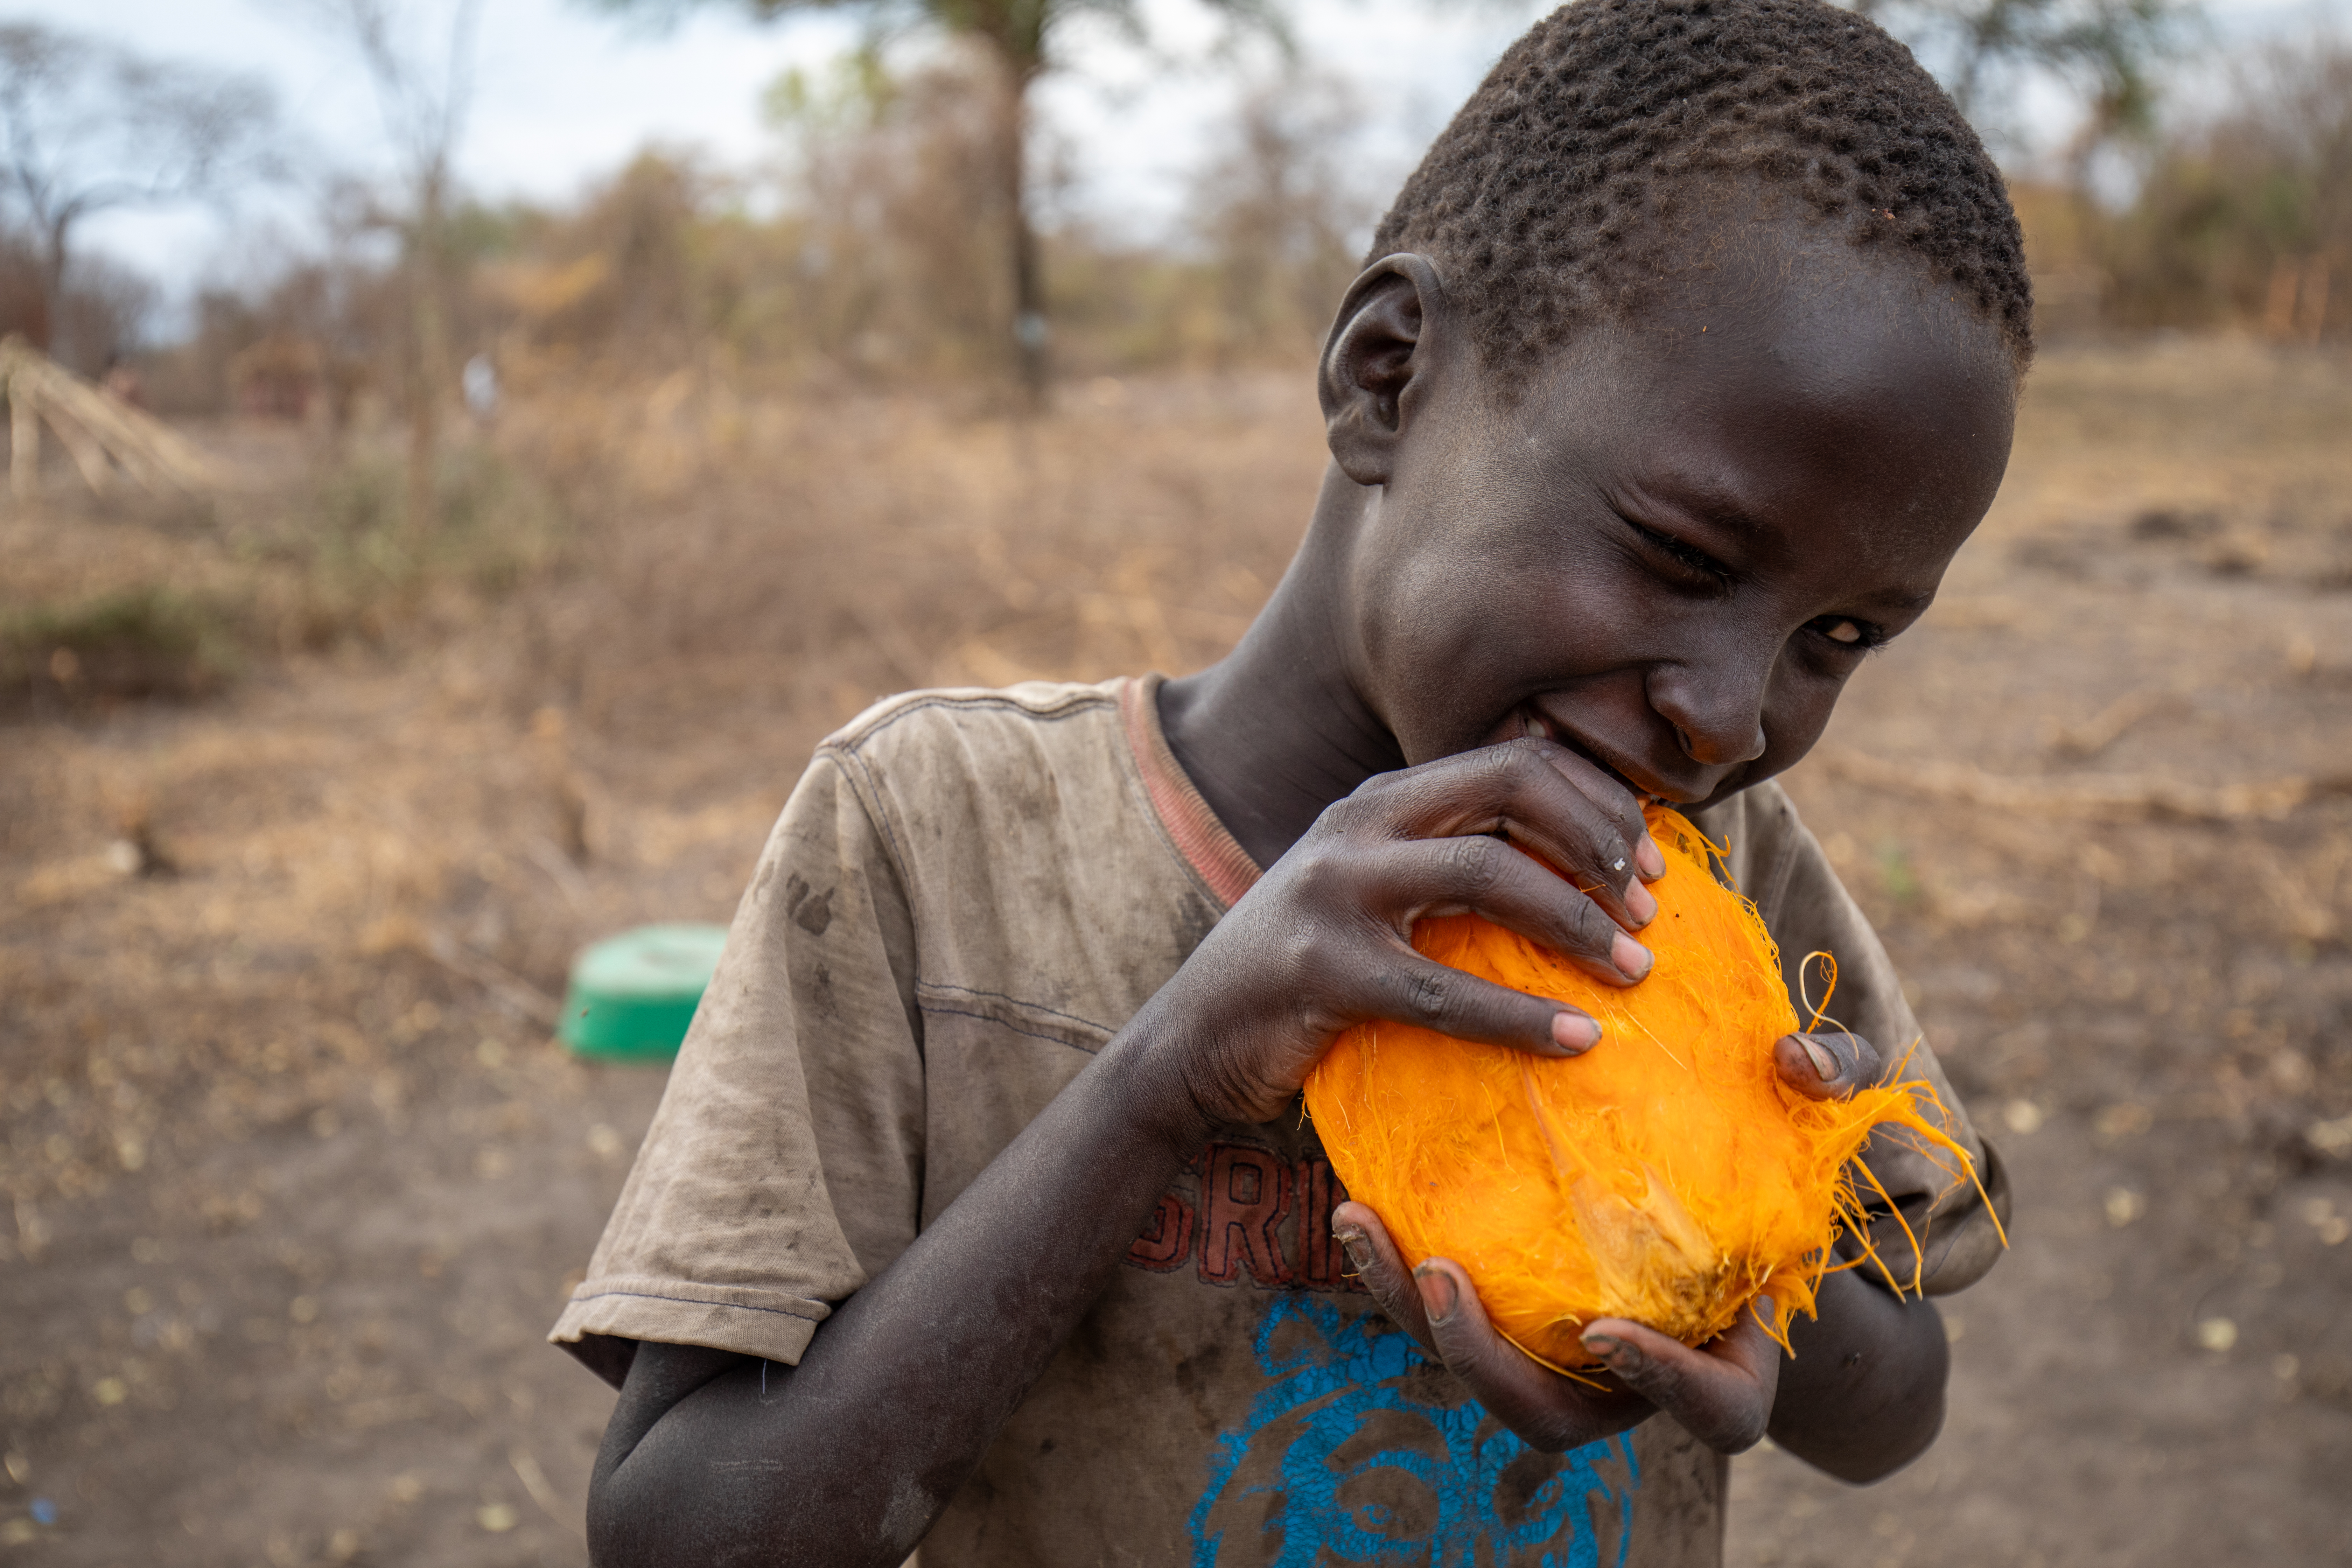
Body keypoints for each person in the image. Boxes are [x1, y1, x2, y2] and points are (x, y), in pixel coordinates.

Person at [551, 1, 2024, 1561]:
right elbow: (680, 1528)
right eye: (1678, 554)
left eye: (1841, 635)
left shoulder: (1720, 880)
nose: (1728, 717)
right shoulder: (933, 841)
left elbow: (1901, 1403)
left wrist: (1755, 1261)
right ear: (1388, 379)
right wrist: (1172, 1068)